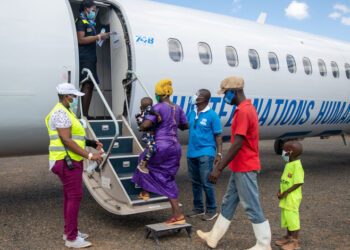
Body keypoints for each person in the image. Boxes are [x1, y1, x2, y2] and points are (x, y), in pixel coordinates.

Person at [197, 76, 272, 249]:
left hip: (245, 166)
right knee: (228, 202)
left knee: (251, 205)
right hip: (240, 166)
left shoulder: (244, 111)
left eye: (226, 94)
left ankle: (263, 243)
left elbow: (238, 143)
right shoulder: (243, 109)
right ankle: (213, 236)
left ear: (234, 92)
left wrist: (218, 168)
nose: (224, 97)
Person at [45, 83, 104, 248]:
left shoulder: (66, 111)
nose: (76, 99)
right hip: (66, 161)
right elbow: (66, 140)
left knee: (69, 197)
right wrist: (90, 156)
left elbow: (74, 135)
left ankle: (70, 231)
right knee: (74, 197)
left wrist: (91, 143)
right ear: (66, 96)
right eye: (74, 96)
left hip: (68, 160)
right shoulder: (61, 113)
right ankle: (71, 238)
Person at [132, 79, 189, 225]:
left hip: (161, 146)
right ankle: (177, 215)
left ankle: (145, 192)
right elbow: (185, 125)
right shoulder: (177, 107)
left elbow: (145, 125)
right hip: (175, 148)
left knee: (142, 162)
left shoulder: (158, 107)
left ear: (159, 94)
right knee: (167, 178)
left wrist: (143, 124)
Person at [186, 89, 222, 221]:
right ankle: (198, 208)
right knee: (195, 182)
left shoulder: (212, 115)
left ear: (204, 99)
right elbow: (183, 125)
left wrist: (219, 153)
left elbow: (218, 137)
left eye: (198, 94)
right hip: (191, 153)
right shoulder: (191, 113)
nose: (195, 96)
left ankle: (212, 209)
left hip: (206, 153)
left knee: (206, 182)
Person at [76, 0, 109, 118]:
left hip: (91, 58)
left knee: (90, 85)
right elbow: (81, 39)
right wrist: (98, 36)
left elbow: (93, 40)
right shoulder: (81, 22)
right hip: (85, 58)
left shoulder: (90, 23)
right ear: (86, 9)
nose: (94, 13)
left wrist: (101, 38)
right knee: (86, 84)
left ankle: (86, 113)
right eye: (93, 10)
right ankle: (83, 115)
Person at [275, 141, 304, 250]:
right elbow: (285, 180)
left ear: (290, 152)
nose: (283, 152)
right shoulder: (289, 164)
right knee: (287, 218)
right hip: (285, 197)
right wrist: (280, 191)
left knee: (293, 219)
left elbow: (299, 182)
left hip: (292, 198)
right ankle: (288, 237)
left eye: (284, 150)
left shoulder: (297, 166)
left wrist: (286, 193)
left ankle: (295, 242)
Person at [135, 97, 162, 174]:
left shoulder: (144, 114)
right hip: (147, 135)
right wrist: (158, 115)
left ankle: (148, 163)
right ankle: (142, 164)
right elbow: (141, 127)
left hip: (151, 135)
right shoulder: (142, 114)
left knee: (153, 150)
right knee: (152, 149)